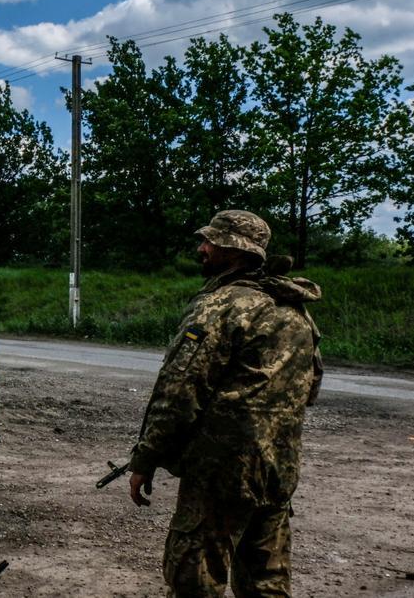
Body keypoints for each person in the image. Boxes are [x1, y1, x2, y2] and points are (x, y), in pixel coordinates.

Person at [126, 210, 323, 597]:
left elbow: (179, 391)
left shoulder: (221, 307)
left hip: (222, 472)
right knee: (267, 583)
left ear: (232, 250)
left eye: (209, 242)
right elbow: (309, 389)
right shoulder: (295, 311)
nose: (202, 248)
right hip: (277, 469)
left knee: (194, 580)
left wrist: (146, 458)